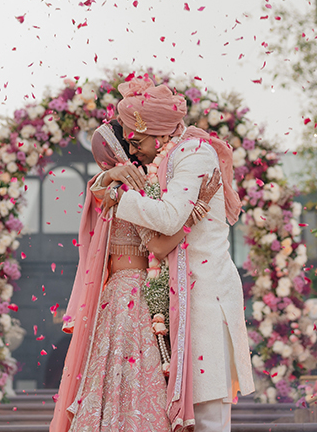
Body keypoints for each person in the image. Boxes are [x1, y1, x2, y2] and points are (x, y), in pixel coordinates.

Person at [103, 77, 255, 432]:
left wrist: (117, 196)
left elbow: (171, 218)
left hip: (204, 298)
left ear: (156, 133)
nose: (131, 147)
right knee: (186, 420)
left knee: (207, 418)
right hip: (181, 301)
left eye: (136, 139)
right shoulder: (169, 157)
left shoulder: (194, 154)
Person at [51, 119, 221, 432]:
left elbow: (154, 243)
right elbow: (158, 246)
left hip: (121, 294)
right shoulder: (135, 186)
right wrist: (198, 208)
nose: (133, 150)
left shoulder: (121, 188)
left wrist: (108, 176)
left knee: (110, 381)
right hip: (134, 295)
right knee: (137, 384)